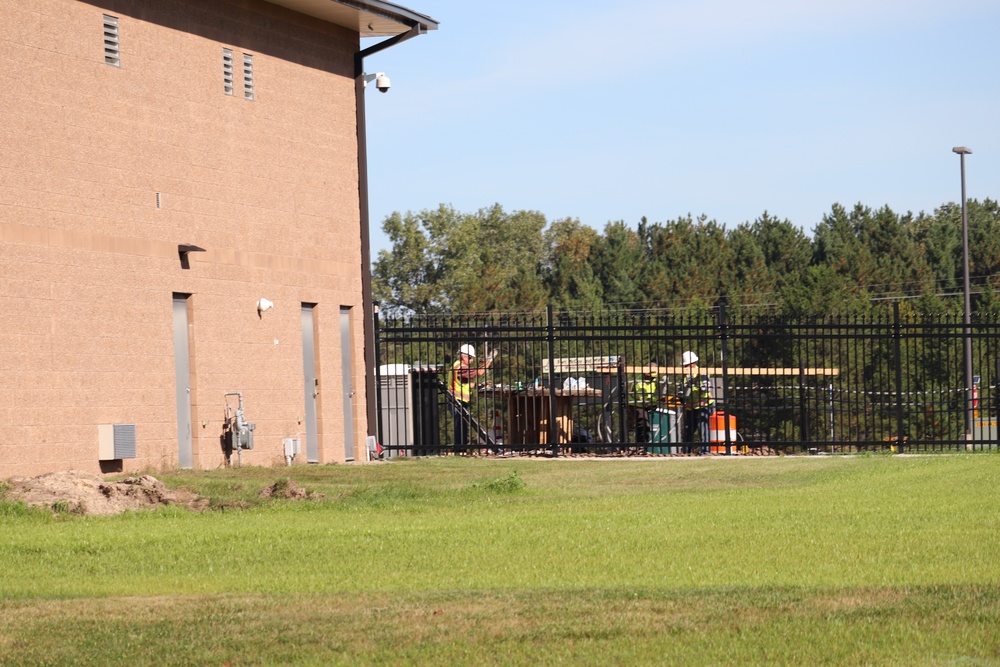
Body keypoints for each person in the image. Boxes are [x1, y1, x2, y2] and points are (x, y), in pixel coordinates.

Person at [449, 343, 495, 452]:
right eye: (470, 358)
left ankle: (462, 449)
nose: (471, 361)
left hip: (459, 400)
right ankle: (460, 450)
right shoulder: (461, 367)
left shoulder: (458, 366)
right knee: (459, 426)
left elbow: (464, 384)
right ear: (464, 356)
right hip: (456, 400)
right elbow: (478, 373)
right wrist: (489, 360)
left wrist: (479, 385)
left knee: (462, 426)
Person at [680, 351, 715, 454]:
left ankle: (705, 451)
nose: (684, 368)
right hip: (690, 407)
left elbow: (706, 388)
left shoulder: (702, 373)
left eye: (686, 365)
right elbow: (681, 390)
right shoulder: (684, 376)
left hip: (703, 405)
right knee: (688, 431)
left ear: (692, 364)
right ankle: (686, 451)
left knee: (703, 430)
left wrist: (694, 382)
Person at [628, 363, 660, 443]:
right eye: (651, 377)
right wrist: (656, 400)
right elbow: (643, 400)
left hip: (646, 404)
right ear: (645, 374)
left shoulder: (653, 380)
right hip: (636, 405)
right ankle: (642, 445)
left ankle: (641, 446)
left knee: (643, 426)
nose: (653, 378)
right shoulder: (639, 383)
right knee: (643, 425)